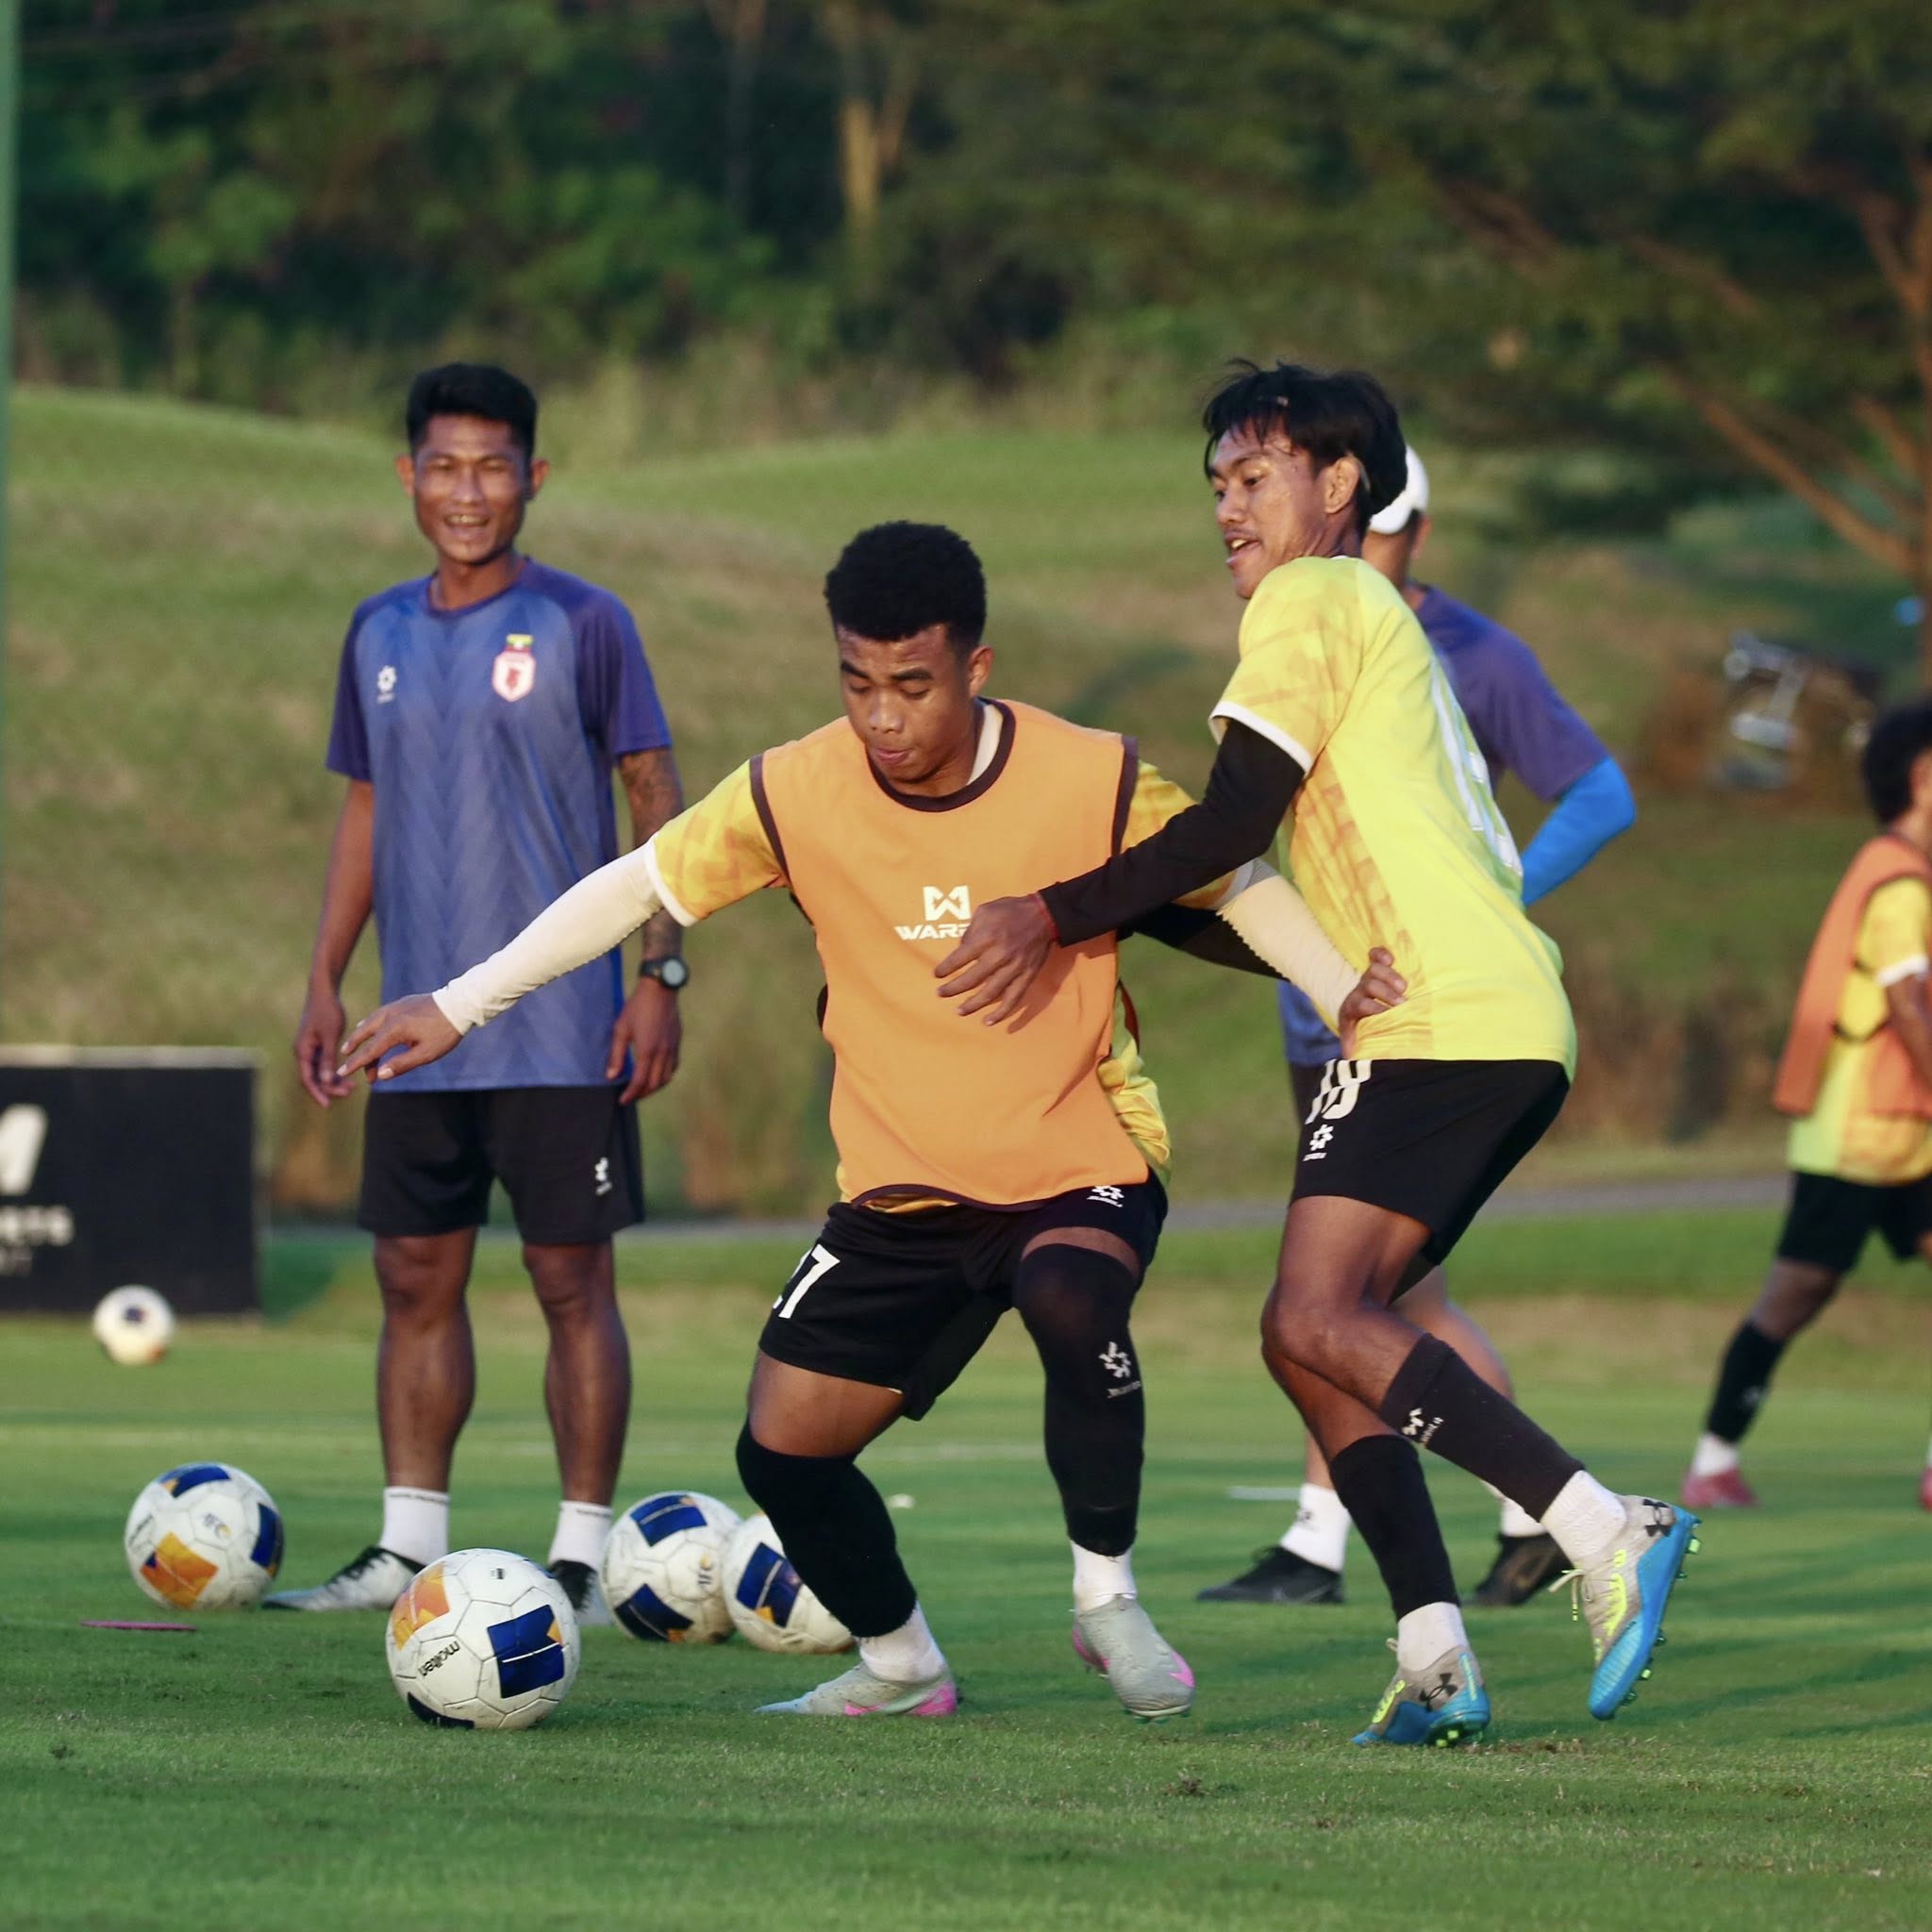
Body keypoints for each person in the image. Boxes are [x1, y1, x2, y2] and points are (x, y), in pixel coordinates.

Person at [336, 520, 1399, 1719]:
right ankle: (900, 1663)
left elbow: (1232, 882)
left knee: (1068, 1291)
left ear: (975, 668)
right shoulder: (793, 788)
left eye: (911, 685)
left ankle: (1105, 1599)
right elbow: (638, 882)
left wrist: (1334, 987)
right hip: (901, 1189)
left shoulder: (1085, 772)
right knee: (780, 1448)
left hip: (1076, 1156)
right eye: (855, 683)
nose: (881, 717)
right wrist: (461, 1004)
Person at [934, 363, 1700, 1746]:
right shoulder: (1367, 612)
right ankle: (1434, 1653)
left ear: (1341, 487)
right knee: (1313, 1339)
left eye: (1255, 477)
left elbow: (1231, 825)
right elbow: (1237, 861)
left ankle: (1603, 1525)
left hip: (1444, 1019)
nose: (1228, 509)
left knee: (1313, 1320)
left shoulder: (1316, 596)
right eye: (1217, 485)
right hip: (1459, 1016)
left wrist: (1049, 915)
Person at [275, 363, 686, 1622]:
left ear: (534, 478)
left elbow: (660, 807)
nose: (469, 492)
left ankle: (581, 1553)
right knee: (413, 1275)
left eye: (493, 466)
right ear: (410, 478)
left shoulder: (587, 624)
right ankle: (407, 1545)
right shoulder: (377, 632)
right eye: (444, 467)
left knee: (572, 1285)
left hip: (562, 1027)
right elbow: (366, 809)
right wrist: (324, 978)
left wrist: (662, 974)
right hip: (415, 1032)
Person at [1203, 445, 1638, 1612]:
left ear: (1393, 521)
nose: (1371, 556)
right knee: (1329, 1314)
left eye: (1388, 532)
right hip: (1352, 1023)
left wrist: (1493, 904)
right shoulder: (1319, 616)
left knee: (1349, 1307)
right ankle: (1429, 1622)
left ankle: (1564, 1519)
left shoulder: (1450, 645)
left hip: (1438, 1014)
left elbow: (1600, 791)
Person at [1685, 696, 1932, 1514]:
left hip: (1908, 1131)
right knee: (1795, 1296)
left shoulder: (1906, 871)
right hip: (1861, 1134)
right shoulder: (1898, 882)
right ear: (1923, 778)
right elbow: (1910, 1007)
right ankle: (1713, 1462)